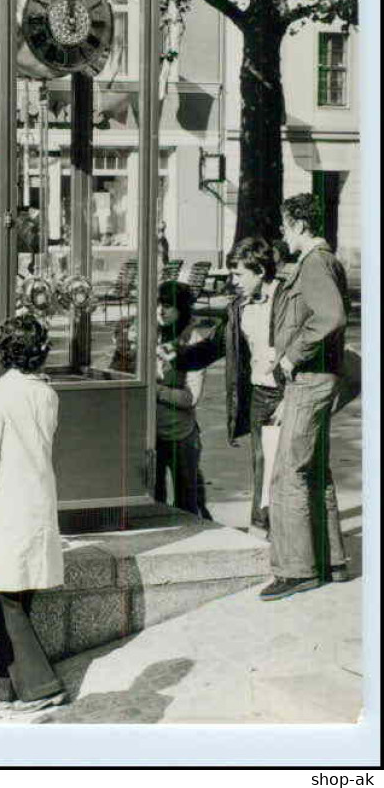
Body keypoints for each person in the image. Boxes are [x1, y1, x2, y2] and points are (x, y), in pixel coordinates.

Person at [0, 314, 68, 713]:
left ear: (3, 352)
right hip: (36, 498)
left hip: (3, 504)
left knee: (3, 595)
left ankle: (40, 685)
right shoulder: (47, 394)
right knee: (18, 594)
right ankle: (5, 680)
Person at [260, 192, 350, 601]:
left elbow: (330, 316)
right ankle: (331, 560)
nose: (282, 232)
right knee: (314, 470)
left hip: (310, 378)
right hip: (322, 377)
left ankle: (297, 570)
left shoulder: (314, 263)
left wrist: (291, 357)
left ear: (298, 224)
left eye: (284, 225)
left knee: (288, 474)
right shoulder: (323, 261)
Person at [177, 238, 286, 535]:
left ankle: (279, 532)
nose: (232, 281)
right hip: (260, 394)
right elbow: (215, 345)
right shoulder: (240, 307)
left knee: (287, 469)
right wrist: (175, 357)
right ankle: (263, 528)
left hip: (288, 394)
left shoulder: (286, 299)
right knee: (262, 464)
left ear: (260, 270)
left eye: (238, 274)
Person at [154, 280, 211, 518]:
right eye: (158, 304)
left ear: (182, 309)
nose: (160, 310)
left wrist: (157, 391)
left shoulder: (194, 341)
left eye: (168, 306)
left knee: (186, 504)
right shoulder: (150, 335)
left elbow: (191, 397)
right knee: (153, 501)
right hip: (150, 434)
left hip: (181, 435)